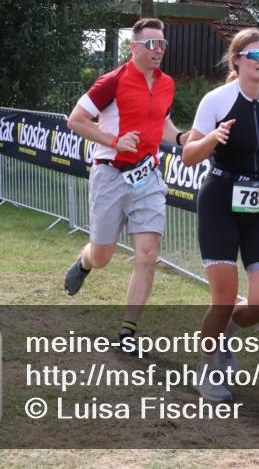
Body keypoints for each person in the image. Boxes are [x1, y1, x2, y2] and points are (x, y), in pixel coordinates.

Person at [182, 28, 259, 403]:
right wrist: (212, 138)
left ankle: (222, 335)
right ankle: (208, 366)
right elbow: (189, 155)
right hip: (219, 200)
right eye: (254, 55)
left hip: (258, 204)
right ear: (236, 60)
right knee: (223, 297)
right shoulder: (217, 100)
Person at [62, 18, 183, 351]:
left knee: (148, 253)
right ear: (134, 47)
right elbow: (76, 120)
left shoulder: (167, 83)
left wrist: (182, 137)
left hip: (147, 176)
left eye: (162, 44)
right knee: (103, 256)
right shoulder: (111, 81)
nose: (158, 50)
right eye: (151, 44)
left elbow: (163, 121)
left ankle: (128, 332)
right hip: (109, 174)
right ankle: (85, 262)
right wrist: (114, 141)